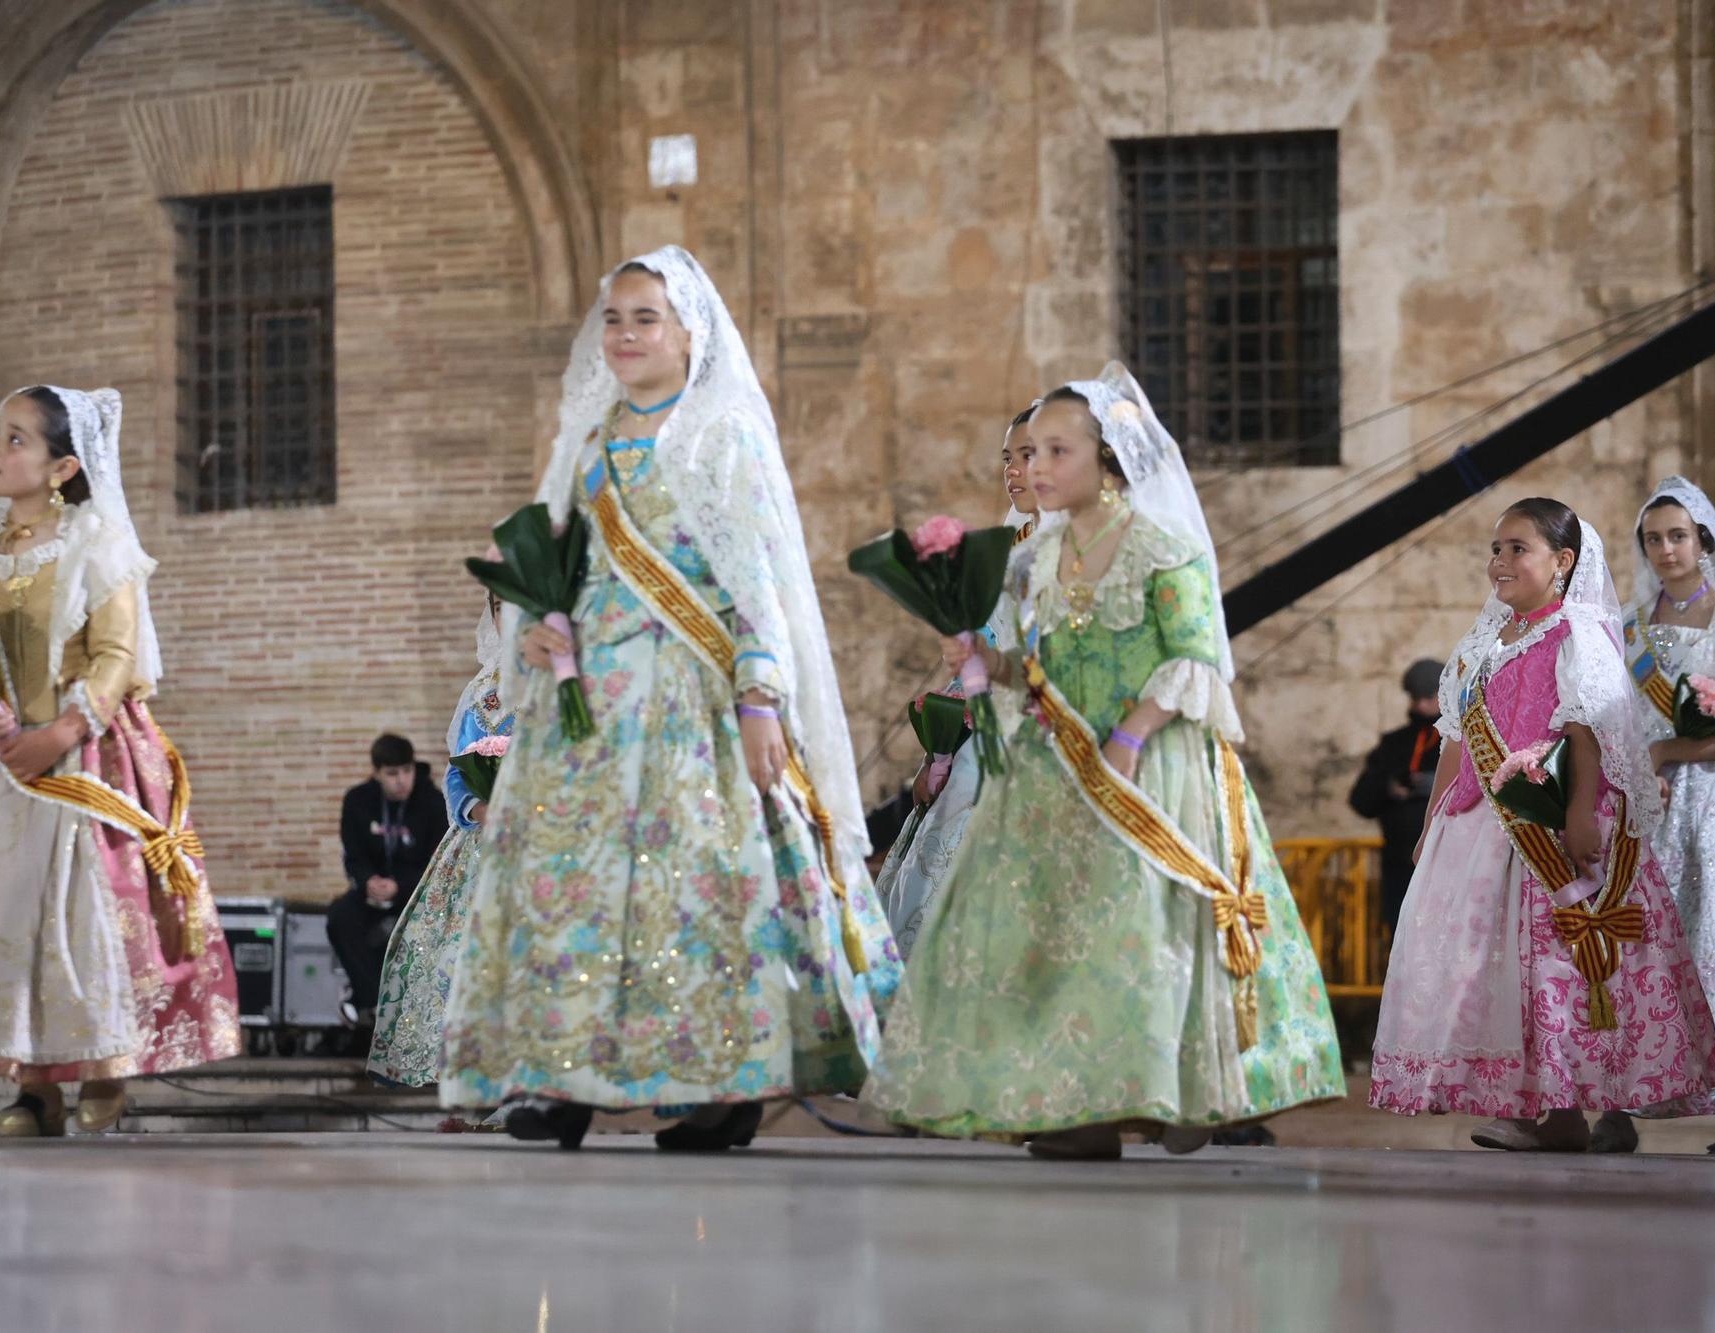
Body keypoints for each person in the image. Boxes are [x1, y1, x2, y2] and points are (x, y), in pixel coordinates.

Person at [438, 245, 901, 1151]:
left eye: (646, 317)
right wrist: (538, 627)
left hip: (696, 703)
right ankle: (559, 1074)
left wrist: (763, 697)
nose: (625, 334)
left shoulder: (721, 436)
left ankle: (721, 1085)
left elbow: (759, 579)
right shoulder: (589, 440)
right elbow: (555, 563)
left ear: (690, 331)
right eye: (612, 317)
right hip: (592, 706)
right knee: (570, 885)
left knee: (693, 893)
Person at [863, 366, 1345, 1160]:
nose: (1037, 466)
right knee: (1057, 936)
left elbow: (1194, 660)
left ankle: (1175, 1091)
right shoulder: (1033, 557)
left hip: (1149, 763)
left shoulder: (1164, 545)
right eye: (1033, 451)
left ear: (1110, 458)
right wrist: (978, 657)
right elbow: (1029, 665)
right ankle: (1075, 1111)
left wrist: (1131, 735)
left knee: (1138, 932)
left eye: (1058, 449)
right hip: (1056, 764)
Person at [0, 386, 241, 1136]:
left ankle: (102, 1065)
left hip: (77, 753)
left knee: (74, 914)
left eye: (15, 439)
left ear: (63, 465)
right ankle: (30, 1087)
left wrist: (58, 731)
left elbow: (117, 657)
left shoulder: (98, 544)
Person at [1369, 498, 1715, 1151]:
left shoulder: (1576, 630)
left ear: (1562, 561)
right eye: (1495, 549)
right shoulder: (1483, 638)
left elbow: (1590, 726)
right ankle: (1536, 1110)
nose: (1500, 561)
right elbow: (1455, 736)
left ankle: (1559, 1111)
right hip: (1477, 827)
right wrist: (1431, 822)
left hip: (1548, 827)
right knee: (1492, 971)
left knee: (1547, 968)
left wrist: (1585, 813)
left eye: (1517, 548)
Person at [874, 402, 1048, 957]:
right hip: (988, 745)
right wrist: (939, 753)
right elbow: (985, 652)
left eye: (1027, 456)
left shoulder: (1084, 556)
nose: (1012, 471)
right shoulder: (1009, 543)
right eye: (1007, 458)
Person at [1623, 479, 1715, 1033]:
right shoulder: (1630, 624)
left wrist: (1672, 749)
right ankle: (1637, 1085)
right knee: (1643, 933)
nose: (1666, 550)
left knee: (1712, 927)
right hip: (1647, 797)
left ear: (1703, 540)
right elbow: (1620, 718)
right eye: (1653, 539)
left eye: (1678, 536)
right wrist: (1639, 765)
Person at [366, 598, 510, 1087]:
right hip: (484, 844)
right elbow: (458, 771)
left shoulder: (566, 686)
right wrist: (480, 807)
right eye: (502, 609)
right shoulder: (483, 693)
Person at [330, 733, 446, 1030]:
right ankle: (373, 1000)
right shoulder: (358, 801)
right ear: (377, 773)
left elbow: (438, 861)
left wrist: (401, 886)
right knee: (341, 916)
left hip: (415, 895)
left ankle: (372, 1001)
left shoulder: (432, 803)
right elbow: (352, 854)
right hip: (372, 892)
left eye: (406, 771)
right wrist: (367, 880)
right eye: (392, 774)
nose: (401, 781)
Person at [1349, 658, 1446, 928]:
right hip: (1400, 867)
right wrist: (1390, 788)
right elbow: (1360, 800)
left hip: (1445, 866)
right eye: (1416, 697)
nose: (1421, 704)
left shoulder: (1456, 741)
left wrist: (1436, 786)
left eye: (1428, 696)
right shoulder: (1395, 745)